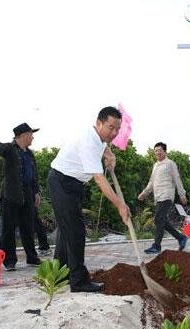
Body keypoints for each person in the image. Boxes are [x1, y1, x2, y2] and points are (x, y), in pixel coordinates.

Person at [48, 106, 130, 293]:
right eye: (111, 128)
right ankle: (78, 281)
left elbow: (103, 147)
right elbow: (99, 179)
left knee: (66, 230)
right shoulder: (89, 142)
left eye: (118, 128)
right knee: (76, 232)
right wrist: (120, 205)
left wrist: (109, 153)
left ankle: (59, 275)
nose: (115, 132)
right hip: (62, 182)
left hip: (73, 184)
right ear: (98, 123)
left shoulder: (99, 138)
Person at [0, 123, 42, 270]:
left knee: (28, 227)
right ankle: (9, 261)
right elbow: (0, 147)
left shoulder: (29, 153)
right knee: (8, 229)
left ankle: (32, 257)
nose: (32, 137)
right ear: (21, 136)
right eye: (30, 134)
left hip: (28, 194)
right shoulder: (10, 150)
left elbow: (34, 175)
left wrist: (36, 192)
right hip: (11, 195)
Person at [138, 142, 188, 254]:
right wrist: (144, 193)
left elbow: (177, 179)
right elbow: (151, 182)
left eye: (159, 150)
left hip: (167, 195)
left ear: (165, 151)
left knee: (158, 219)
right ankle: (181, 238)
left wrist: (182, 194)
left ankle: (156, 246)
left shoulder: (170, 164)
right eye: (155, 150)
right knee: (161, 220)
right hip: (158, 197)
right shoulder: (155, 166)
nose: (157, 152)